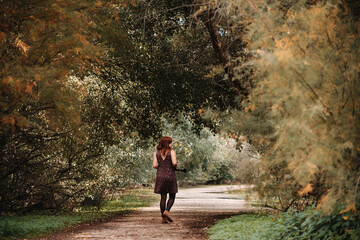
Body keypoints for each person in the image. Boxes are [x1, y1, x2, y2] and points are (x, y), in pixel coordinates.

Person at [153, 136, 178, 224]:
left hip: (160, 176)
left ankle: (163, 218)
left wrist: (162, 166)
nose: (172, 144)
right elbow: (174, 163)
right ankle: (167, 211)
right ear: (167, 143)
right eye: (171, 142)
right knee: (172, 196)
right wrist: (172, 165)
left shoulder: (156, 153)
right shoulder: (172, 152)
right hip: (170, 175)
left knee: (163, 197)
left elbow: (155, 165)